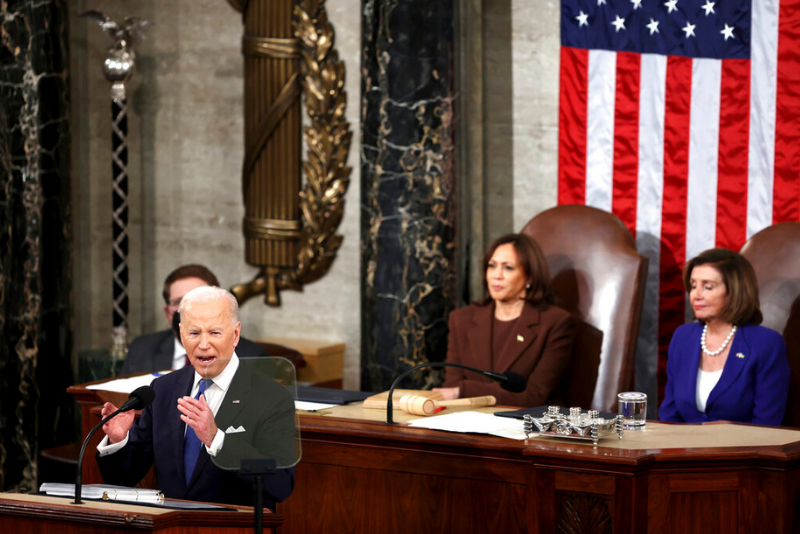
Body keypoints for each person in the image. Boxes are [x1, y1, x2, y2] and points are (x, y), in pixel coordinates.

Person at [96, 286, 296, 508]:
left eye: (214, 333)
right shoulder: (163, 390)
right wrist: (118, 440)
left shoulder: (271, 397)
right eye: (194, 333)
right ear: (182, 334)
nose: (203, 344)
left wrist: (216, 439)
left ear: (235, 334)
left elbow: (280, 484)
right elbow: (122, 478)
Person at [434, 234, 575, 406]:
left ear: (529, 277)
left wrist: (464, 391)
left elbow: (534, 395)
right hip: (468, 423)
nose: (496, 275)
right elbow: (451, 387)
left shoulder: (555, 323)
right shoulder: (462, 319)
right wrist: (457, 392)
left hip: (524, 426)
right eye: (492, 266)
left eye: (508, 268)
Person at [659, 248, 790, 425]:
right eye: (693, 285)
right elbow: (669, 415)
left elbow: (767, 425)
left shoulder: (766, 343)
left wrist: (729, 432)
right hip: (682, 450)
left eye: (708, 287)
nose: (696, 295)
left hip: (742, 451)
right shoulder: (683, 337)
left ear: (735, 291)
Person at [122, 264, 267, 374]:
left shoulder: (253, 358)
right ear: (168, 313)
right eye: (179, 301)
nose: (188, 308)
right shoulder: (141, 350)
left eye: (199, 299)